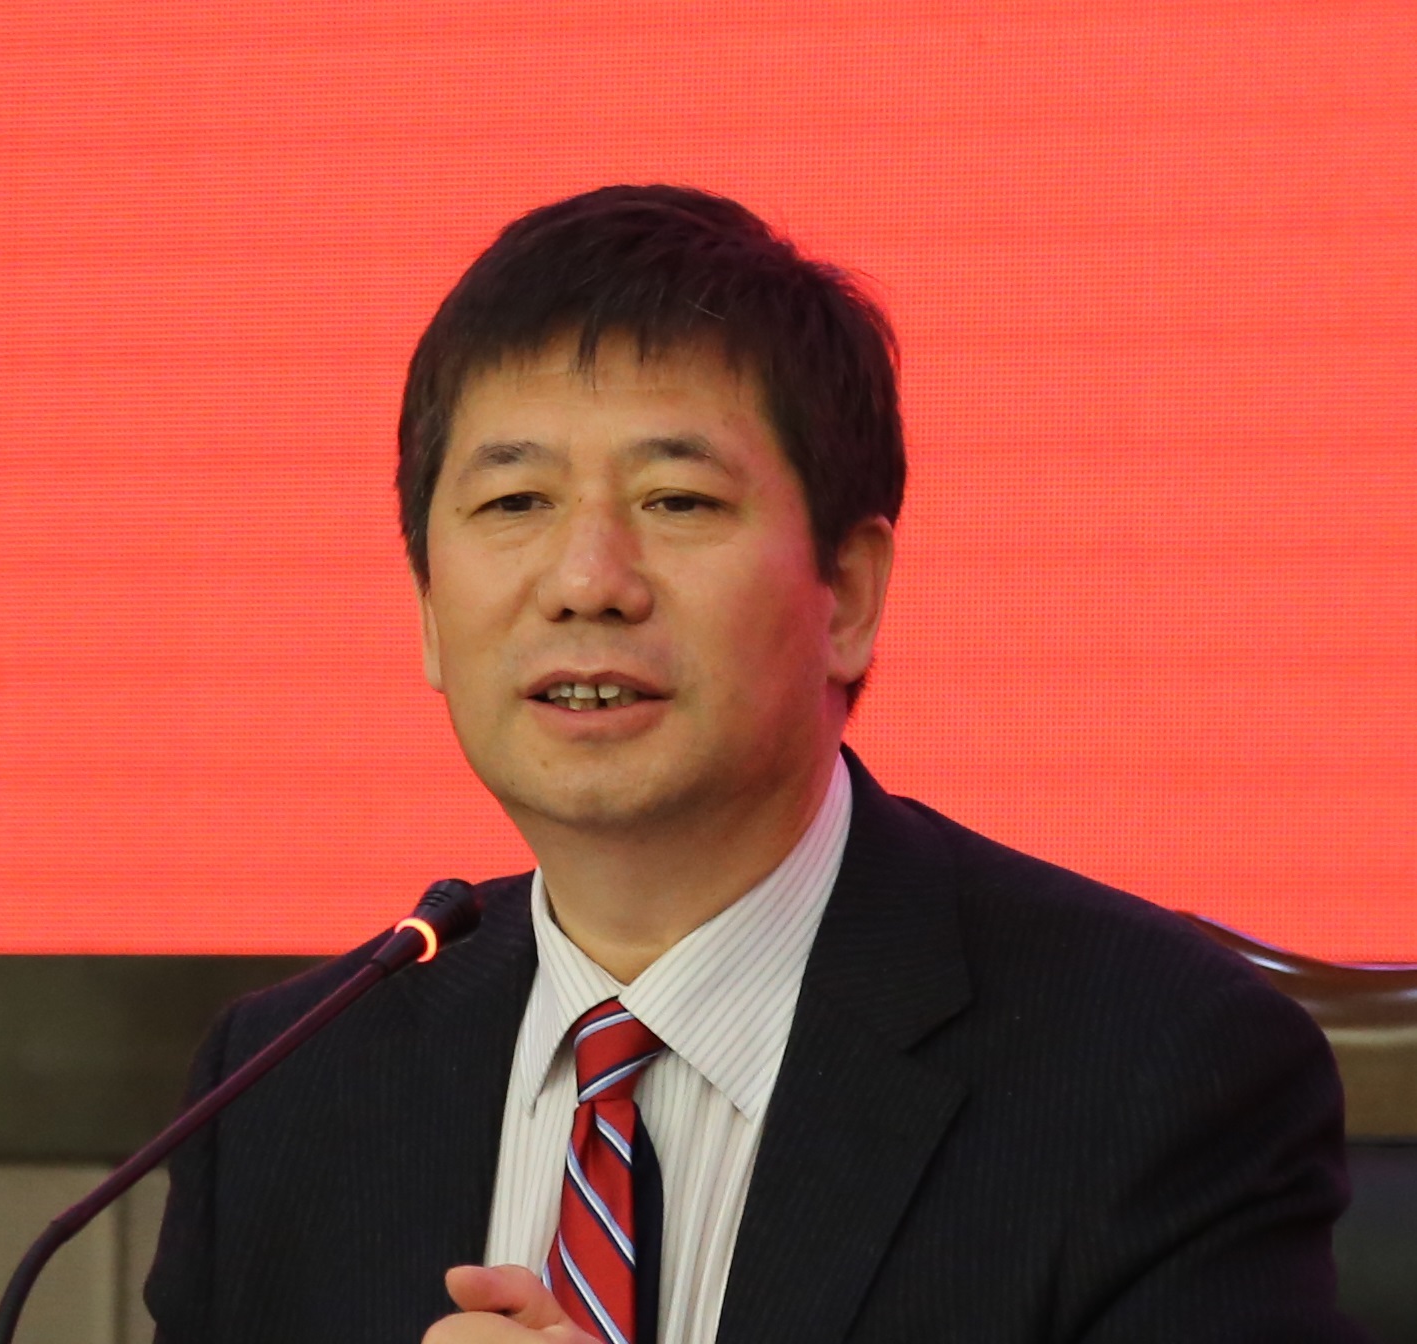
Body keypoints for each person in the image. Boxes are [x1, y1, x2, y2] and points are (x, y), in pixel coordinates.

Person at [145, 185, 1365, 1344]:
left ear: (849, 596)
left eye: (676, 500)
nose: (587, 582)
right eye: (514, 503)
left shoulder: (1152, 1067)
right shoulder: (278, 1095)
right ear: (425, 606)